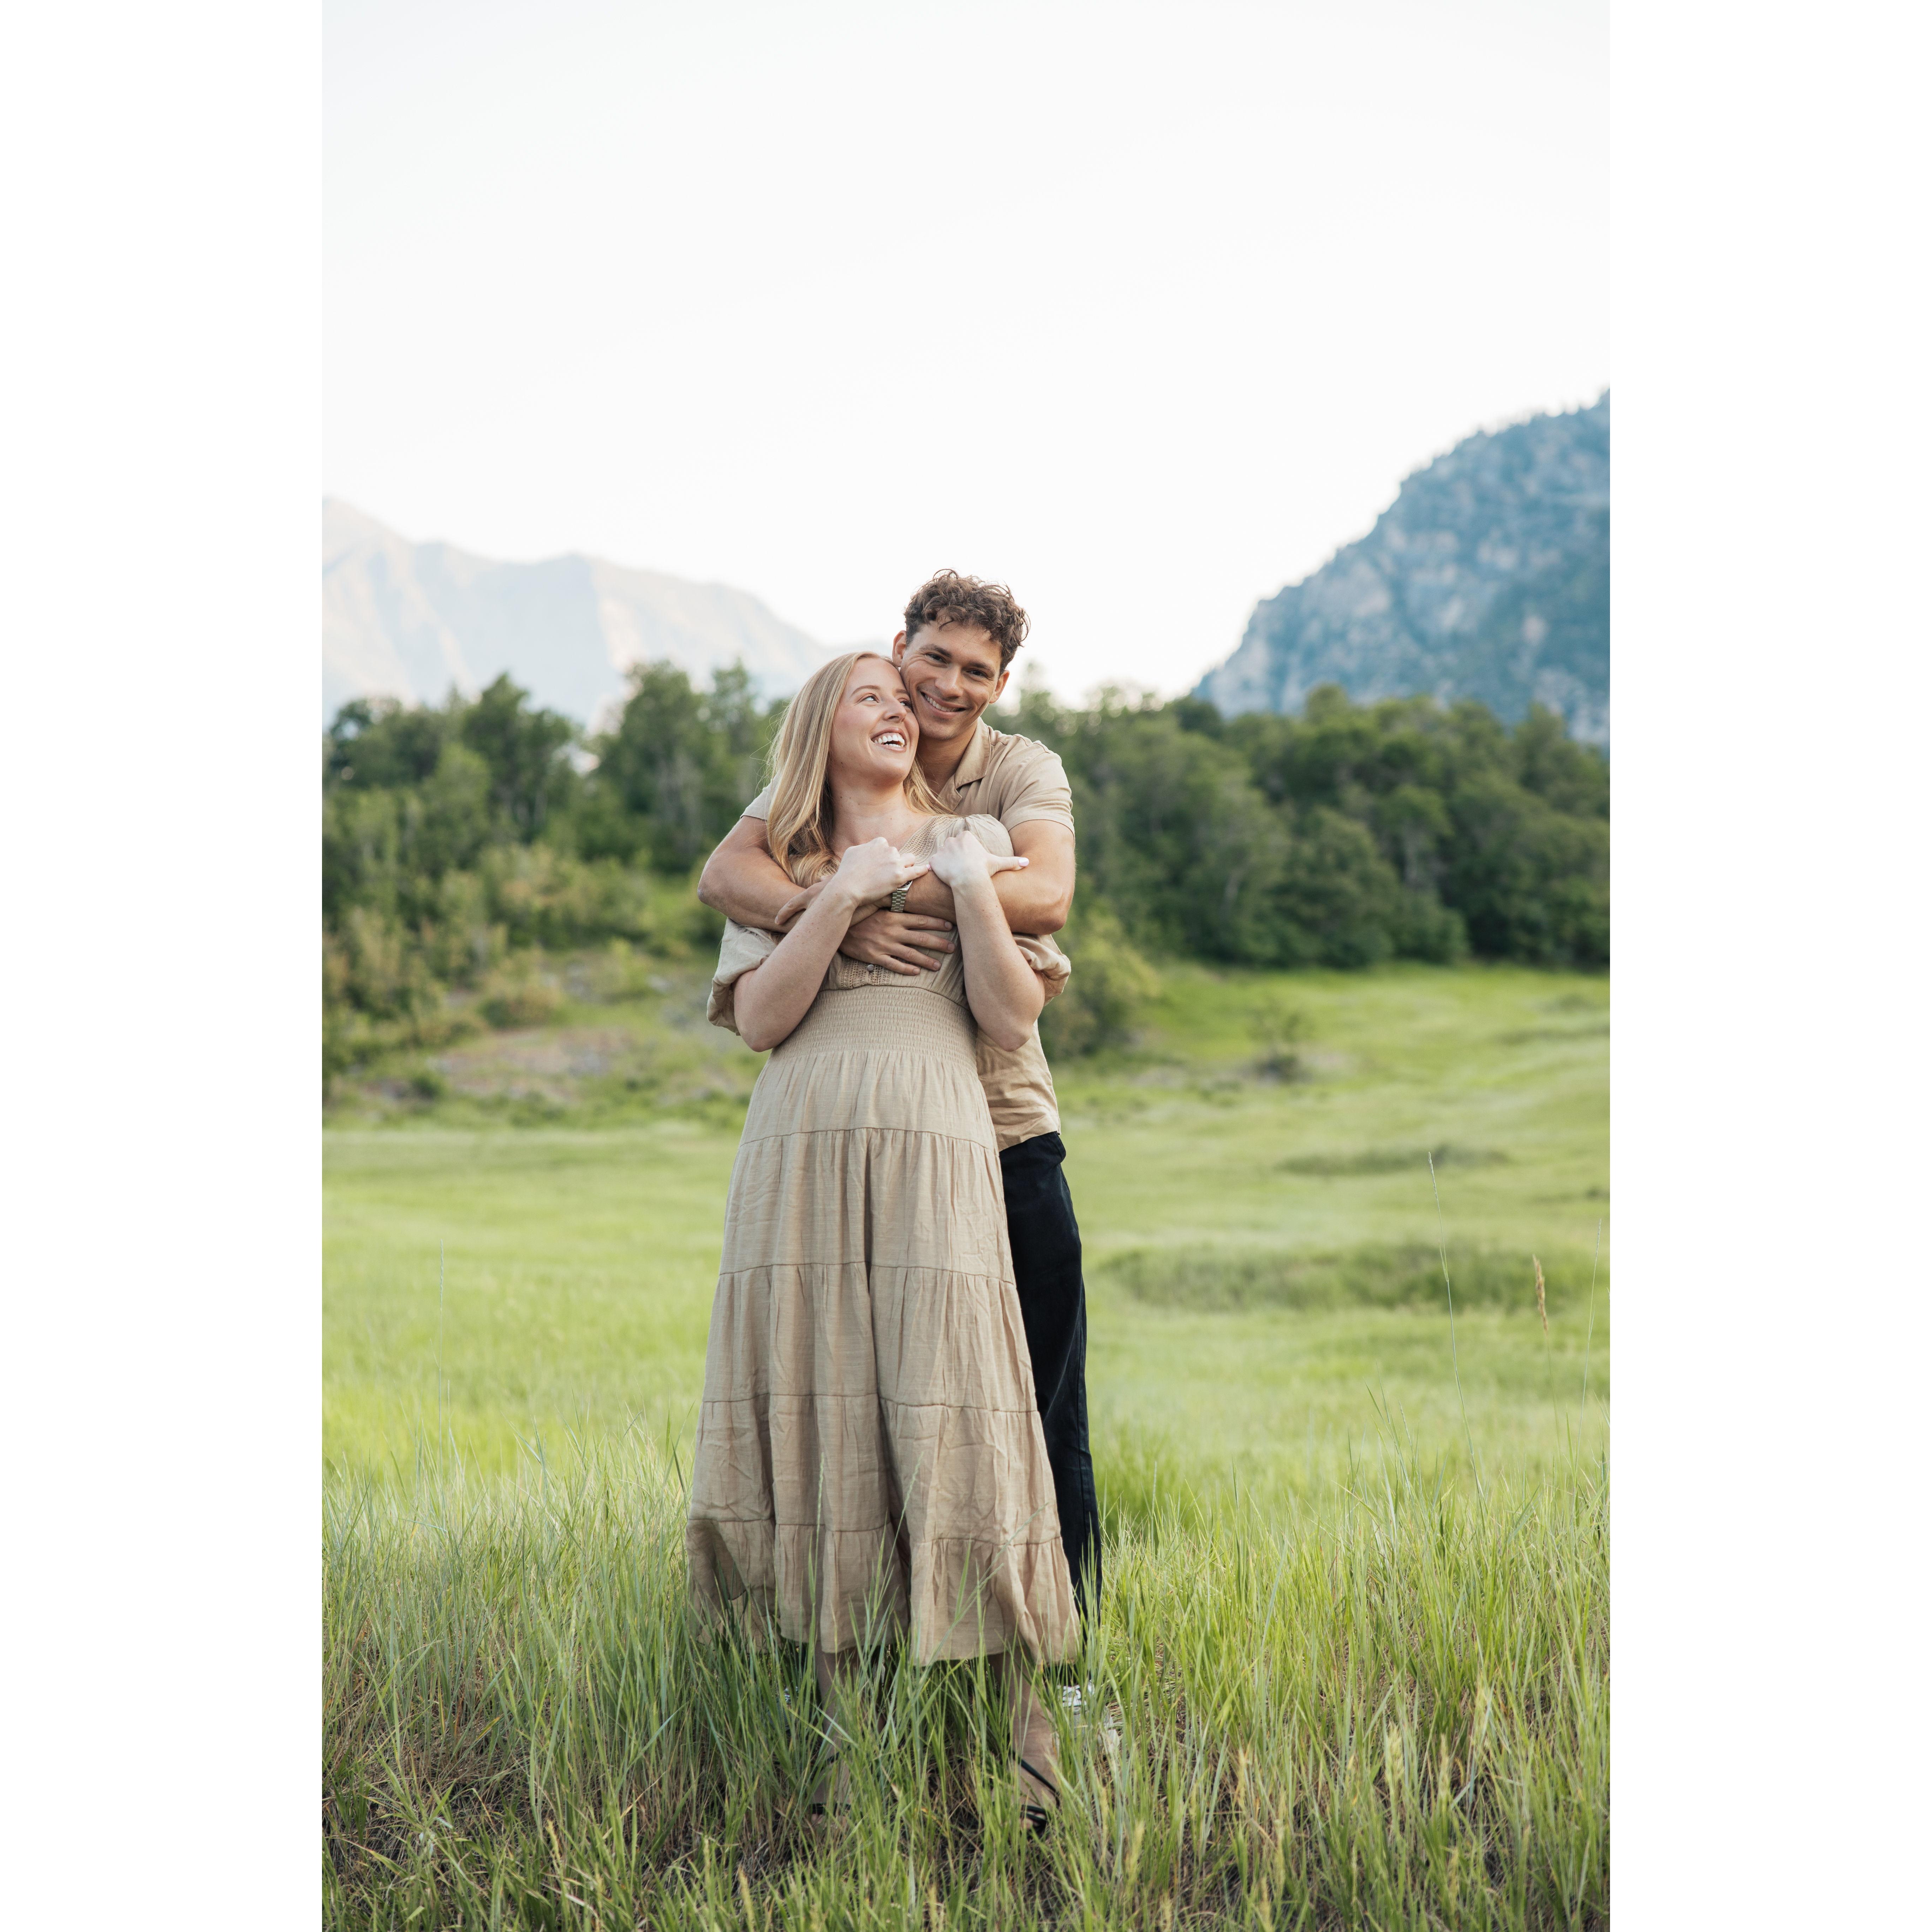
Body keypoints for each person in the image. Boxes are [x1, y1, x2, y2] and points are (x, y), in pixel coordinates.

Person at [688, 648, 1074, 1828]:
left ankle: (1031, 1749)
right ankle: (846, 1753)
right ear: (823, 726)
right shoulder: (789, 864)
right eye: (875, 695)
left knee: (970, 1405)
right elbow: (762, 1019)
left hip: (940, 1144)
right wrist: (841, 900)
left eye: (905, 699)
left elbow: (1011, 1016)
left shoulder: (976, 840)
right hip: (800, 1148)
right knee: (824, 1407)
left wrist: (960, 887)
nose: (903, 708)